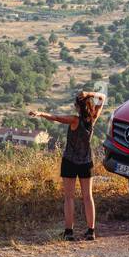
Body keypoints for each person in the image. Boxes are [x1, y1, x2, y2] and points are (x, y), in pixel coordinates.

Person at [29, 91, 105, 240]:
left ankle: (69, 232)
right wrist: (89, 93)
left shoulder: (74, 120)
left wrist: (41, 113)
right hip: (86, 161)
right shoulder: (92, 118)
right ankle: (91, 231)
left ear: (77, 106)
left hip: (70, 161)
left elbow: (56, 118)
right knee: (88, 197)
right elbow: (103, 97)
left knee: (69, 198)